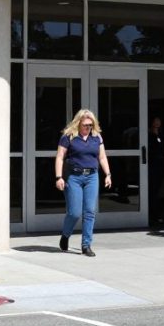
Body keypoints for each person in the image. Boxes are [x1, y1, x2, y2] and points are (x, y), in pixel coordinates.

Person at [55, 109, 112, 257]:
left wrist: (108, 174)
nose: (88, 127)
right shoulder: (69, 137)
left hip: (92, 176)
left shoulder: (96, 137)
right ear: (78, 123)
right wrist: (58, 177)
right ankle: (65, 235)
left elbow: (102, 157)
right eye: (86, 124)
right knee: (74, 212)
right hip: (74, 177)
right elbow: (60, 157)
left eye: (91, 125)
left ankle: (86, 245)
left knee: (89, 211)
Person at [147, 115, 164, 225]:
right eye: (155, 120)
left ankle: (158, 214)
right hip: (149, 164)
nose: (157, 122)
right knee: (151, 189)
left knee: (159, 189)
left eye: (159, 120)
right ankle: (150, 214)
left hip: (161, 164)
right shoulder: (147, 134)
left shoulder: (163, 135)